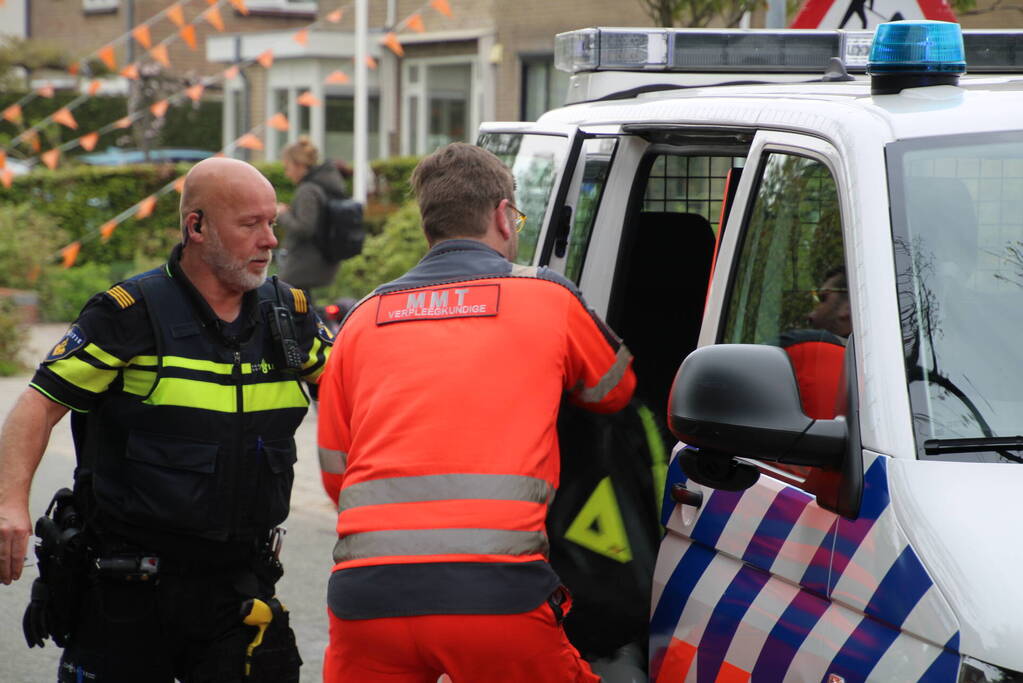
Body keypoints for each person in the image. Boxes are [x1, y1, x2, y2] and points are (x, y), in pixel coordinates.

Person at [0, 157, 333, 682]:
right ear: (196, 226)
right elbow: (39, 403)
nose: (270, 240)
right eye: (250, 224)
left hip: (240, 590)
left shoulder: (288, 316)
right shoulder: (128, 313)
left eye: (272, 222)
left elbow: (357, 394)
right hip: (129, 594)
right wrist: (9, 503)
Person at [316, 142, 637, 683]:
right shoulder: (546, 297)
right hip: (496, 595)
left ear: (428, 227)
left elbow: (335, 475)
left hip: (366, 601)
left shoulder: (362, 320)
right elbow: (615, 391)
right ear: (504, 216)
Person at [275, 136, 349, 292]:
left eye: (287, 167)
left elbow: (304, 228)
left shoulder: (307, 190)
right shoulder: (325, 185)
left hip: (303, 265)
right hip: (321, 262)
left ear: (299, 165)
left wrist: (283, 214)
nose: (287, 174)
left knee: (284, 296)